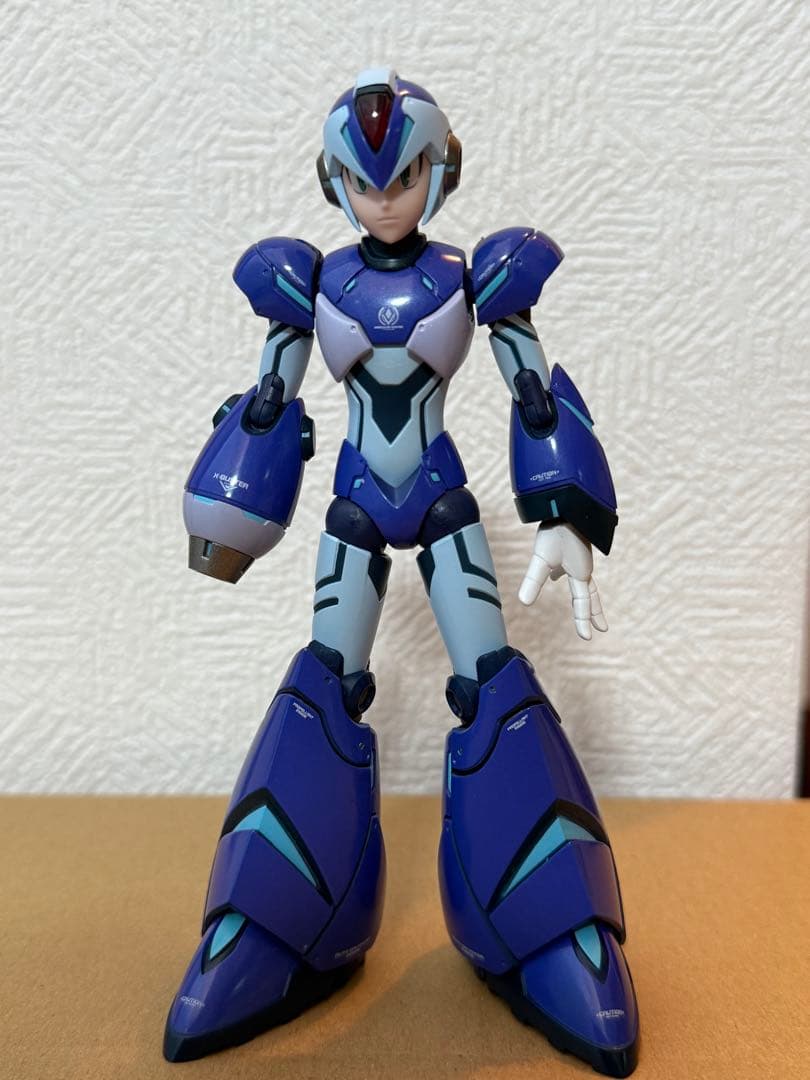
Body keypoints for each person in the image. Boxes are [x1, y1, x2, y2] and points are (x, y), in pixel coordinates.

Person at [166, 68, 639, 1077]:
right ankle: (276, 915)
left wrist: (564, 506)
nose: (385, 199)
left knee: (490, 683)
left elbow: (534, 391)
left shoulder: (475, 276)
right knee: (325, 685)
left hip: (442, 501)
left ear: (440, 171)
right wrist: (230, 513)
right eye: (364, 180)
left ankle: (547, 918)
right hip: (351, 507)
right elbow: (267, 402)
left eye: (405, 176)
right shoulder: (311, 283)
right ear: (334, 180)